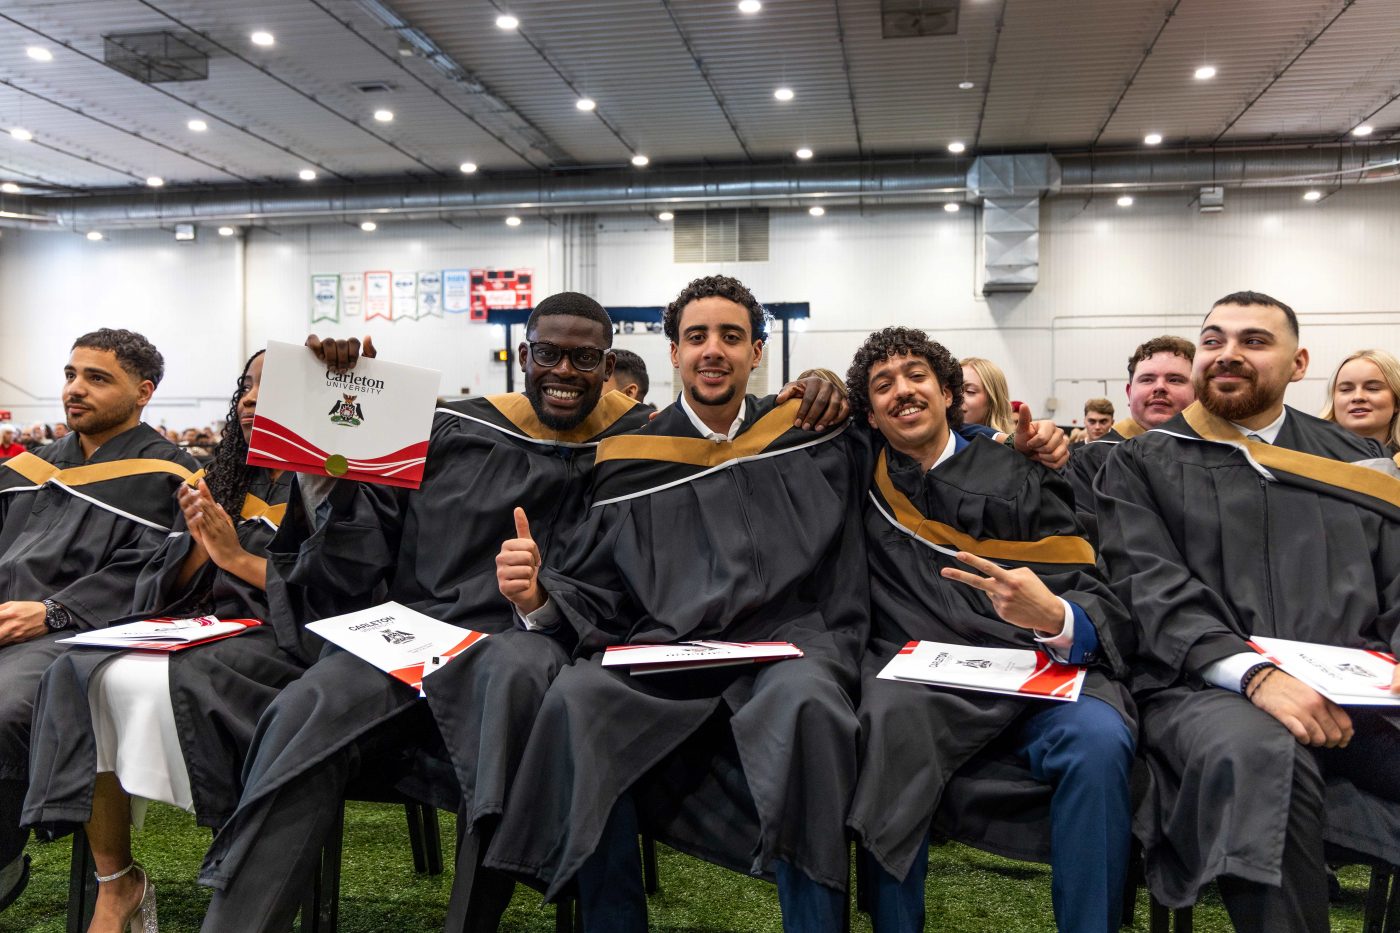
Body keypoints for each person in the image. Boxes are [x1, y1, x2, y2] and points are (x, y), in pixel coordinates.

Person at [195, 293, 846, 932]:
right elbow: (360, 535)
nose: (564, 370)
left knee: (516, 680)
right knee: (309, 704)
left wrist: (822, 382)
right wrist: (341, 400)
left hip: (530, 635)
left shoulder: (637, 446)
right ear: (524, 355)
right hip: (420, 626)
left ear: (607, 364)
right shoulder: (451, 427)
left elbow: (629, 570)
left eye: (584, 359)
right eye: (548, 354)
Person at [488, 275, 870, 931]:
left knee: (809, 705)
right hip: (669, 651)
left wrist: (835, 385)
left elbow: (911, 448)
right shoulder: (630, 456)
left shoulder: (806, 435)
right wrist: (540, 598)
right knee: (578, 699)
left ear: (756, 351)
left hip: (785, 649)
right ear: (674, 352)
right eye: (697, 337)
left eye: (731, 336)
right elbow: (598, 587)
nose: (712, 350)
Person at [1096, 291, 1400, 932]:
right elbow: (1148, 586)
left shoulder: (1356, 463)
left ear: (1299, 364)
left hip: (1360, 696)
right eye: (1213, 341)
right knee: (1263, 759)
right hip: (1203, 689)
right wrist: (1256, 676)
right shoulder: (1143, 461)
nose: (1228, 354)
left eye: (1254, 341)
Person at [845, 327, 1135, 933]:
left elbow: (1087, 583)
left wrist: (1055, 618)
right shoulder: (861, 477)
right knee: (887, 721)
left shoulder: (1021, 472)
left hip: (1032, 669)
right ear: (869, 414)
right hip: (921, 679)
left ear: (949, 392)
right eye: (883, 385)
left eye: (917, 376)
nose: (903, 391)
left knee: (1099, 738)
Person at [22, 350, 303, 933]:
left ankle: (237, 874)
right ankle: (115, 881)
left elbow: (342, 587)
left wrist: (234, 558)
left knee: (177, 683)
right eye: (247, 386)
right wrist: (197, 548)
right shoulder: (224, 479)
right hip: (206, 626)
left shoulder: (338, 483)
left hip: (288, 638)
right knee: (81, 670)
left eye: (272, 387)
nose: (252, 398)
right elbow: (165, 581)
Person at [0, 329, 197, 915]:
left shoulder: (170, 475)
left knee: (5, 707)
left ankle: (2, 863)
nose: (75, 389)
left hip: (82, 629)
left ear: (143, 392)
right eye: (71, 375)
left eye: (97, 378)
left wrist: (52, 611)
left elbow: (160, 574)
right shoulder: (31, 467)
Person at [1065, 336, 1195, 517]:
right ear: (1129, 393)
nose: (1159, 387)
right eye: (1147, 379)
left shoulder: (1221, 457)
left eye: (1174, 380)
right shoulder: (1088, 462)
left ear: (1198, 392)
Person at [1320, 348, 1400, 456]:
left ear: (1397, 401)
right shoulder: (1308, 457)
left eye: (1372, 388)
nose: (1358, 397)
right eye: (1346, 389)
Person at [960, 356, 1015, 434]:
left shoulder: (1008, 440)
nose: (957, 397)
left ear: (993, 400)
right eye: (953, 389)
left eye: (970, 391)